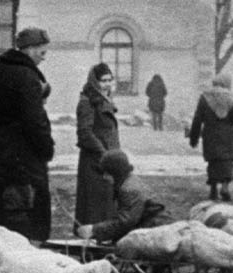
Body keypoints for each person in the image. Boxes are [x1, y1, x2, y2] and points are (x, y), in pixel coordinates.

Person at [0, 27, 55, 242]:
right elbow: (35, 121)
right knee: (25, 220)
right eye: (42, 53)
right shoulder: (27, 78)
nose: (43, 58)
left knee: (0, 216)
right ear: (29, 49)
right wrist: (46, 149)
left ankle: (0, 265)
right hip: (23, 163)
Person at [76, 149, 173, 244]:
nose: (105, 177)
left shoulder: (129, 189)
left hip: (158, 232)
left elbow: (125, 222)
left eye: (107, 173)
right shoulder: (129, 182)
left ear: (115, 172)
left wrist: (94, 230)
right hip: (156, 228)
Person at [188, 73, 233, 202]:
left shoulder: (205, 97)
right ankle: (225, 187)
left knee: (213, 162)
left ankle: (213, 189)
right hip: (226, 135)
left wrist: (194, 138)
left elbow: (197, 119)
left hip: (210, 135)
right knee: (227, 161)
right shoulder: (230, 98)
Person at [74, 63, 120, 228]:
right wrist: (104, 153)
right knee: (95, 207)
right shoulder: (87, 101)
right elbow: (85, 133)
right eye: (103, 80)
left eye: (110, 80)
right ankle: (92, 241)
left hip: (107, 160)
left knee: (107, 203)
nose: (107, 84)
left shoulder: (103, 99)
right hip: (95, 161)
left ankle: (101, 238)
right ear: (94, 81)